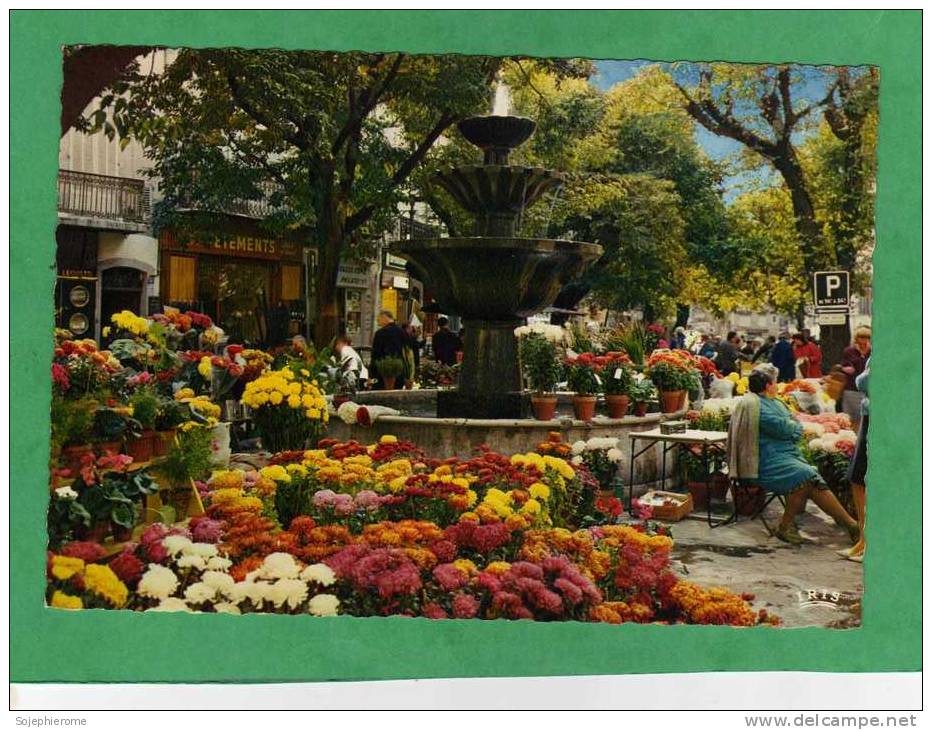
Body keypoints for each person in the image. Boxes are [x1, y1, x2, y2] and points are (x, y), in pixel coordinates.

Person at [727, 370, 859, 545]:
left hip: (785, 456)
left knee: (811, 478)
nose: (776, 384)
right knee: (805, 475)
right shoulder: (756, 406)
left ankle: (850, 525)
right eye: (774, 382)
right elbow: (786, 428)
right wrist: (793, 427)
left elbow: (792, 423)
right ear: (768, 385)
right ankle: (848, 525)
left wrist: (793, 426)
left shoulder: (774, 402)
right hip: (765, 462)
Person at [840, 358, 869, 562]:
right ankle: (863, 540)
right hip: (871, 414)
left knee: (863, 478)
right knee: (857, 478)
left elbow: (865, 382)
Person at [837, 326, 871, 425]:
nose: (864, 340)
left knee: (867, 419)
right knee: (850, 419)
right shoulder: (849, 351)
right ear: (856, 338)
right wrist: (845, 369)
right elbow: (842, 365)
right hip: (851, 389)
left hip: (868, 390)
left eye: (867, 337)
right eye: (862, 337)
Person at [369, 310, 408, 390]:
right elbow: (408, 354)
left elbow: (375, 355)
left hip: (381, 375)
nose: (378, 323)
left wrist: (371, 375)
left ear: (384, 318)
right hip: (399, 374)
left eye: (379, 320)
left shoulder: (380, 334)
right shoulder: (402, 332)